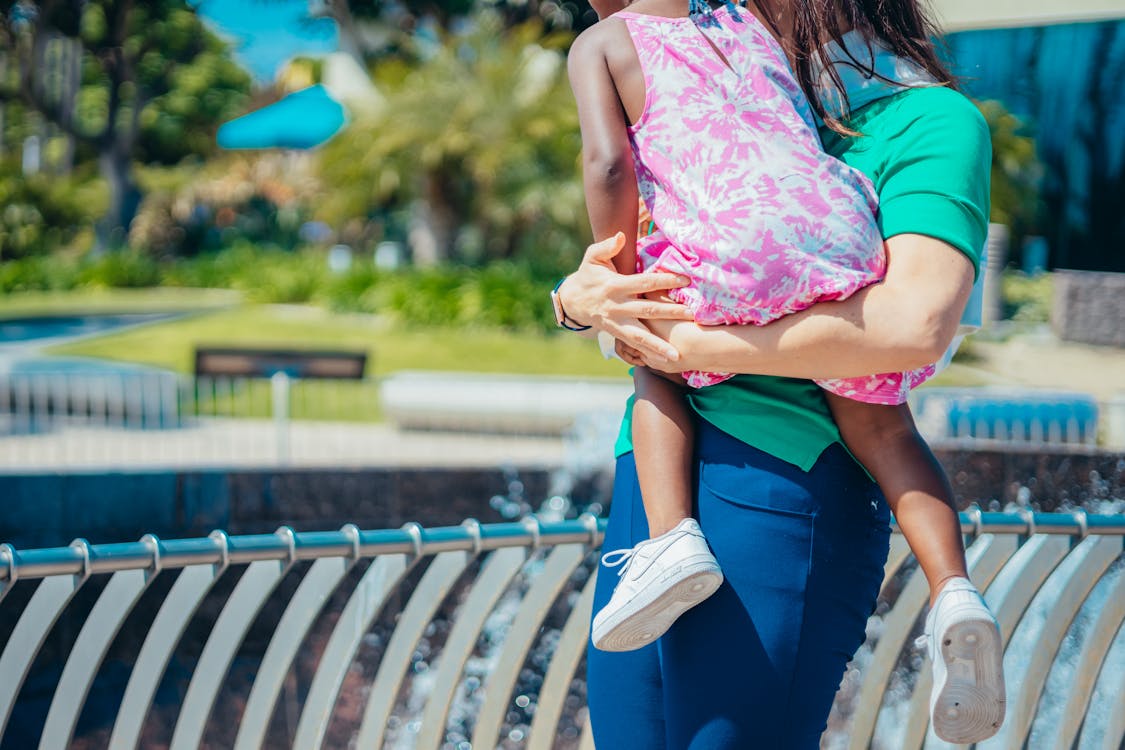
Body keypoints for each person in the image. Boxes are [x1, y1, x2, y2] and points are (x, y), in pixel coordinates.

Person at [555, 0, 1005, 746]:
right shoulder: (727, 71)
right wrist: (577, 301)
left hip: (784, 486)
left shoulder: (926, 120)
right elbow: (630, 263)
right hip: (652, 486)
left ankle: (952, 594)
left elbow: (912, 325)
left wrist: (685, 343)